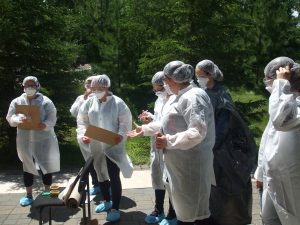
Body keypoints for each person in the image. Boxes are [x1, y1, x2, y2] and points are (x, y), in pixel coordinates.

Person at [136, 61, 215, 225]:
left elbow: (197, 132)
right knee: (184, 213)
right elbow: (166, 124)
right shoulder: (178, 97)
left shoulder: (194, 97)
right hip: (178, 166)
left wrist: (168, 141)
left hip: (191, 166)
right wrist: (145, 129)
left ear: (175, 79)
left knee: (196, 215)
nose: (164, 84)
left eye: (166, 80)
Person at [195, 60, 257, 225]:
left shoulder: (221, 94)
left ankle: (231, 218)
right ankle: (215, 216)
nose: (198, 78)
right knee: (213, 186)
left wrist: (213, 145)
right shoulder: (203, 92)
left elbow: (225, 123)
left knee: (226, 185)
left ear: (210, 75)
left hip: (223, 150)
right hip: (210, 146)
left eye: (200, 75)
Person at [77, 74, 133, 222]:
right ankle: (106, 201)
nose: (97, 91)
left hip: (113, 145)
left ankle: (115, 207)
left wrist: (120, 135)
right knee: (101, 173)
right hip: (95, 144)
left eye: (100, 88)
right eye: (94, 88)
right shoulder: (90, 102)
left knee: (114, 175)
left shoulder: (118, 103)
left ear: (107, 87)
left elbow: (125, 123)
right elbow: (82, 120)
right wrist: (84, 134)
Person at [254, 56, 300, 225]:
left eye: (270, 81)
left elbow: (281, 121)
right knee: (270, 220)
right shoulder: (284, 101)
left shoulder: (291, 104)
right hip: (273, 179)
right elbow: (268, 139)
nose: (268, 85)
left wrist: (281, 85)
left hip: (292, 181)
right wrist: (260, 171)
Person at [128, 71, 177, 225]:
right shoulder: (159, 100)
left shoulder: (177, 100)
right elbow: (160, 121)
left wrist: (146, 127)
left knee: (170, 180)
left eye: (159, 89)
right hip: (156, 145)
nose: (157, 92)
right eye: (155, 89)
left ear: (167, 85)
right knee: (157, 177)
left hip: (171, 146)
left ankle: (173, 213)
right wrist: (150, 119)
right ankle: (158, 209)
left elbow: (170, 124)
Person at [6, 76, 60, 207]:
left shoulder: (46, 101)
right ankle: (29, 194)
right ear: (23, 87)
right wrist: (17, 119)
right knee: (27, 166)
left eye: (32, 85)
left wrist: (45, 124)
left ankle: (47, 193)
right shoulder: (17, 101)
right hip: (25, 139)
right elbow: (10, 118)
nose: (30, 87)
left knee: (45, 166)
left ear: (37, 86)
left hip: (43, 139)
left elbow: (52, 118)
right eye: (27, 85)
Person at [70, 75, 103, 195]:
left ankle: (107, 184)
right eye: (87, 83)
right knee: (89, 161)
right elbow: (73, 112)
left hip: (99, 134)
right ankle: (96, 184)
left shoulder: (101, 96)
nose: (89, 86)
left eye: (91, 83)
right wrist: (84, 98)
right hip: (85, 134)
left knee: (102, 161)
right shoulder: (81, 97)